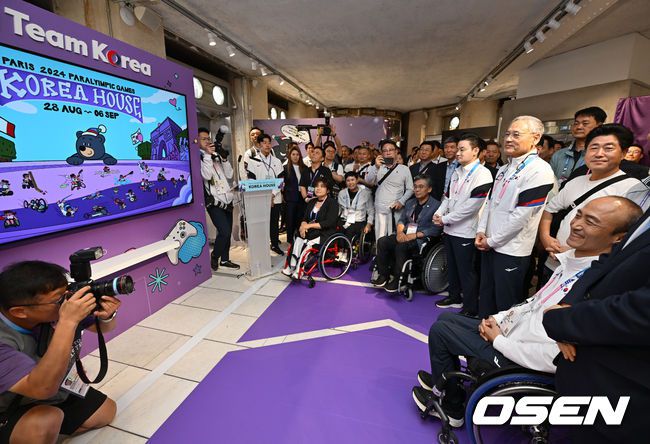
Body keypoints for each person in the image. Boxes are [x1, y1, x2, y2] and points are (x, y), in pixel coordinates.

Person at [413, 196, 642, 428]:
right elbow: (532, 303)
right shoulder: (571, 263)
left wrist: (499, 340)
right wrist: (498, 319)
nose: (576, 224)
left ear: (619, 238)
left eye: (591, 222)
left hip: (520, 358)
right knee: (447, 318)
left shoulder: (595, 288)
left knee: (442, 331)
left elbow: (554, 358)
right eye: (579, 215)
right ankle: (446, 380)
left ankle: (452, 408)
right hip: (512, 336)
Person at [542, 201, 648, 444]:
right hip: (585, 376)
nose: (577, 225)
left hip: (624, 391)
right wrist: (568, 305)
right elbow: (608, 261)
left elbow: (641, 312)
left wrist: (564, 322)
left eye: (590, 221)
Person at [0, 261, 121, 443]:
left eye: (67, 293)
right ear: (20, 312)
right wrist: (68, 322)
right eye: (59, 300)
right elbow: (42, 389)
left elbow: (104, 328)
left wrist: (107, 316)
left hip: (52, 387)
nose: (67, 302)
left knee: (107, 411)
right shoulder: (4, 340)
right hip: (10, 404)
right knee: (46, 421)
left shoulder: (53, 310)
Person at [538, 123, 640, 283]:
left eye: (608, 148)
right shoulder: (576, 181)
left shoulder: (633, 189)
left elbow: (628, 238)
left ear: (624, 153)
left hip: (587, 271)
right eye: (593, 148)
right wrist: (546, 238)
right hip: (554, 262)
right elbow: (549, 210)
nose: (599, 154)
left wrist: (574, 252)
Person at [475, 116, 555, 317]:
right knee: (486, 296)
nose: (509, 139)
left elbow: (522, 215)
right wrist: (481, 230)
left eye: (516, 134)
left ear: (535, 138)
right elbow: (490, 203)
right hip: (490, 243)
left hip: (512, 249)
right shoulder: (504, 169)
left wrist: (492, 241)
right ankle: (481, 333)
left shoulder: (540, 170)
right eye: (507, 134)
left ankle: (500, 338)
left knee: (505, 305)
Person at [433, 133, 493, 314]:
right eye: (457, 149)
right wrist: (439, 213)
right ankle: (454, 297)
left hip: (466, 231)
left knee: (466, 271)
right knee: (452, 267)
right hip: (449, 229)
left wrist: (445, 219)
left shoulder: (483, 174)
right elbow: (448, 197)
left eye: (462, 149)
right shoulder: (457, 171)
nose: (457, 153)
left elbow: (472, 207)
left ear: (475, 151)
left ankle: (470, 307)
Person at [372, 175, 441, 292]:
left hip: (421, 239)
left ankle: (399, 279)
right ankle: (384, 275)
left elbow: (436, 229)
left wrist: (415, 235)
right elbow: (402, 220)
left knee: (401, 247)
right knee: (382, 241)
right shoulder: (410, 203)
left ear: (429, 189)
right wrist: (399, 233)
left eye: (421, 187)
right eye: (415, 187)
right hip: (405, 234)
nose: (417, 189)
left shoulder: (436, 205)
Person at [199, 128, 239, 271]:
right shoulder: (199, 158)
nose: (207, 141)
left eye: (208, 138)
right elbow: (206, 176)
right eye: (203, 139)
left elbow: (229, 174)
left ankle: (225, 259)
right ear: (197, 141)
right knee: (224, 232)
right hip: (214, 202)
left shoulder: (215, 155)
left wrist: (224, 158)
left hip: (227, 199)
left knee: (227, 234)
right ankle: (215, 255)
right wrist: (208, 155)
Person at [282, 179, 338, 278]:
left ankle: (299, 270)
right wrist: (302, 227)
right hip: (312, 231)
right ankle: (292, 266)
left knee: (308, 243)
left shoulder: (332, 203)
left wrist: (308, 226)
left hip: (325, 232)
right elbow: (305, 218)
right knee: (298, 239)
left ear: (328, 190)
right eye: (316, 186)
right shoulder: (312, 202)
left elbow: (329, 222)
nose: (318, 188)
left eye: (322, 186)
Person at [365, 140, 414, 238]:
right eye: (385, 150)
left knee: (395, 237)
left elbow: (410, 189)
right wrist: (376, 167)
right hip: (380, 208)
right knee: (380, 237)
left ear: (396, 152)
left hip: (396, 209)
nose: (388, 152)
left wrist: (401, 201)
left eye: (391, 150)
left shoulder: (404, 169)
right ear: (381, 153)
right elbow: (368, 181)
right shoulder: (376, 167)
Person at [248, 133, 285, 256]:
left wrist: (272, 195)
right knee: (261, 224)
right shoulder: (253, 161)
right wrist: (264, 196)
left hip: (275, 198)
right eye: (264, 143)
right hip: (260, 199)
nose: (267, 145)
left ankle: (274, 244)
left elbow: (281, 180)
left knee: (274, 223)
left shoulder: (277, 161)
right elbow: (251, 181)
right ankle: (262, 247)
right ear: (259, 145)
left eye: (269, 143)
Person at [550, 106, 606, 183]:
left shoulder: (601, 156)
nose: (579, 127)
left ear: (599, 126)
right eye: (576, 123)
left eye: (585, 123)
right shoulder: (559, 154)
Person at [338, 171, 374, 240]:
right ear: (345, 182)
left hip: (358, 221)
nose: (350, 183)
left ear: (357, 180)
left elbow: (371, 211)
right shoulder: (341, 193)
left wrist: (369, 224)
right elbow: (339, 210)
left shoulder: (366, 194)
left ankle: (347, 247)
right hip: (344, 219)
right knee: (337, 230)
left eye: (352, 180)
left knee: (349, 231)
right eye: (348, 180)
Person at [282, 146, 307, 245]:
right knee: (290, 221)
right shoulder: (285, 168)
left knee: (300, 220)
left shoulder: (304, 168)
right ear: (289, 156)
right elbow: (282, 184)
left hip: (302, 198)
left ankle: (299, 241)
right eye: (293, 154)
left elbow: (307, 183)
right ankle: (290, 242)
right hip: (290, 199)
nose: (295, 156)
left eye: (297, 154)